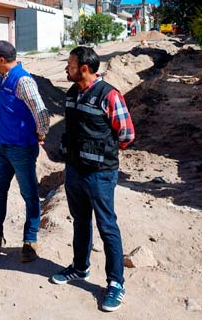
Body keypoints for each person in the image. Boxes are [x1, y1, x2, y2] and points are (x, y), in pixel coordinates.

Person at [49, 46, 135, 313]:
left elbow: (127, 135)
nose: (66, 68)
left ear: (84, 68)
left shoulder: (109, 95)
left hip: (100, 174)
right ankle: (80, 267)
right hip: (74, 170)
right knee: (81, 221)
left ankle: (116, 283)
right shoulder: (73, 93)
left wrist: (101, 155)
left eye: (71, 65)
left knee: (107, 226)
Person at [0, 40, 50, 263]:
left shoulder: (23, 80)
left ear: (2, 60)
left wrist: (41, 134)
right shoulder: (3, 78)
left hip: (22, 148)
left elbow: (41, 112)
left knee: (29, 194)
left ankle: (30, 240)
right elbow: (6, 102)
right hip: (3, 146)